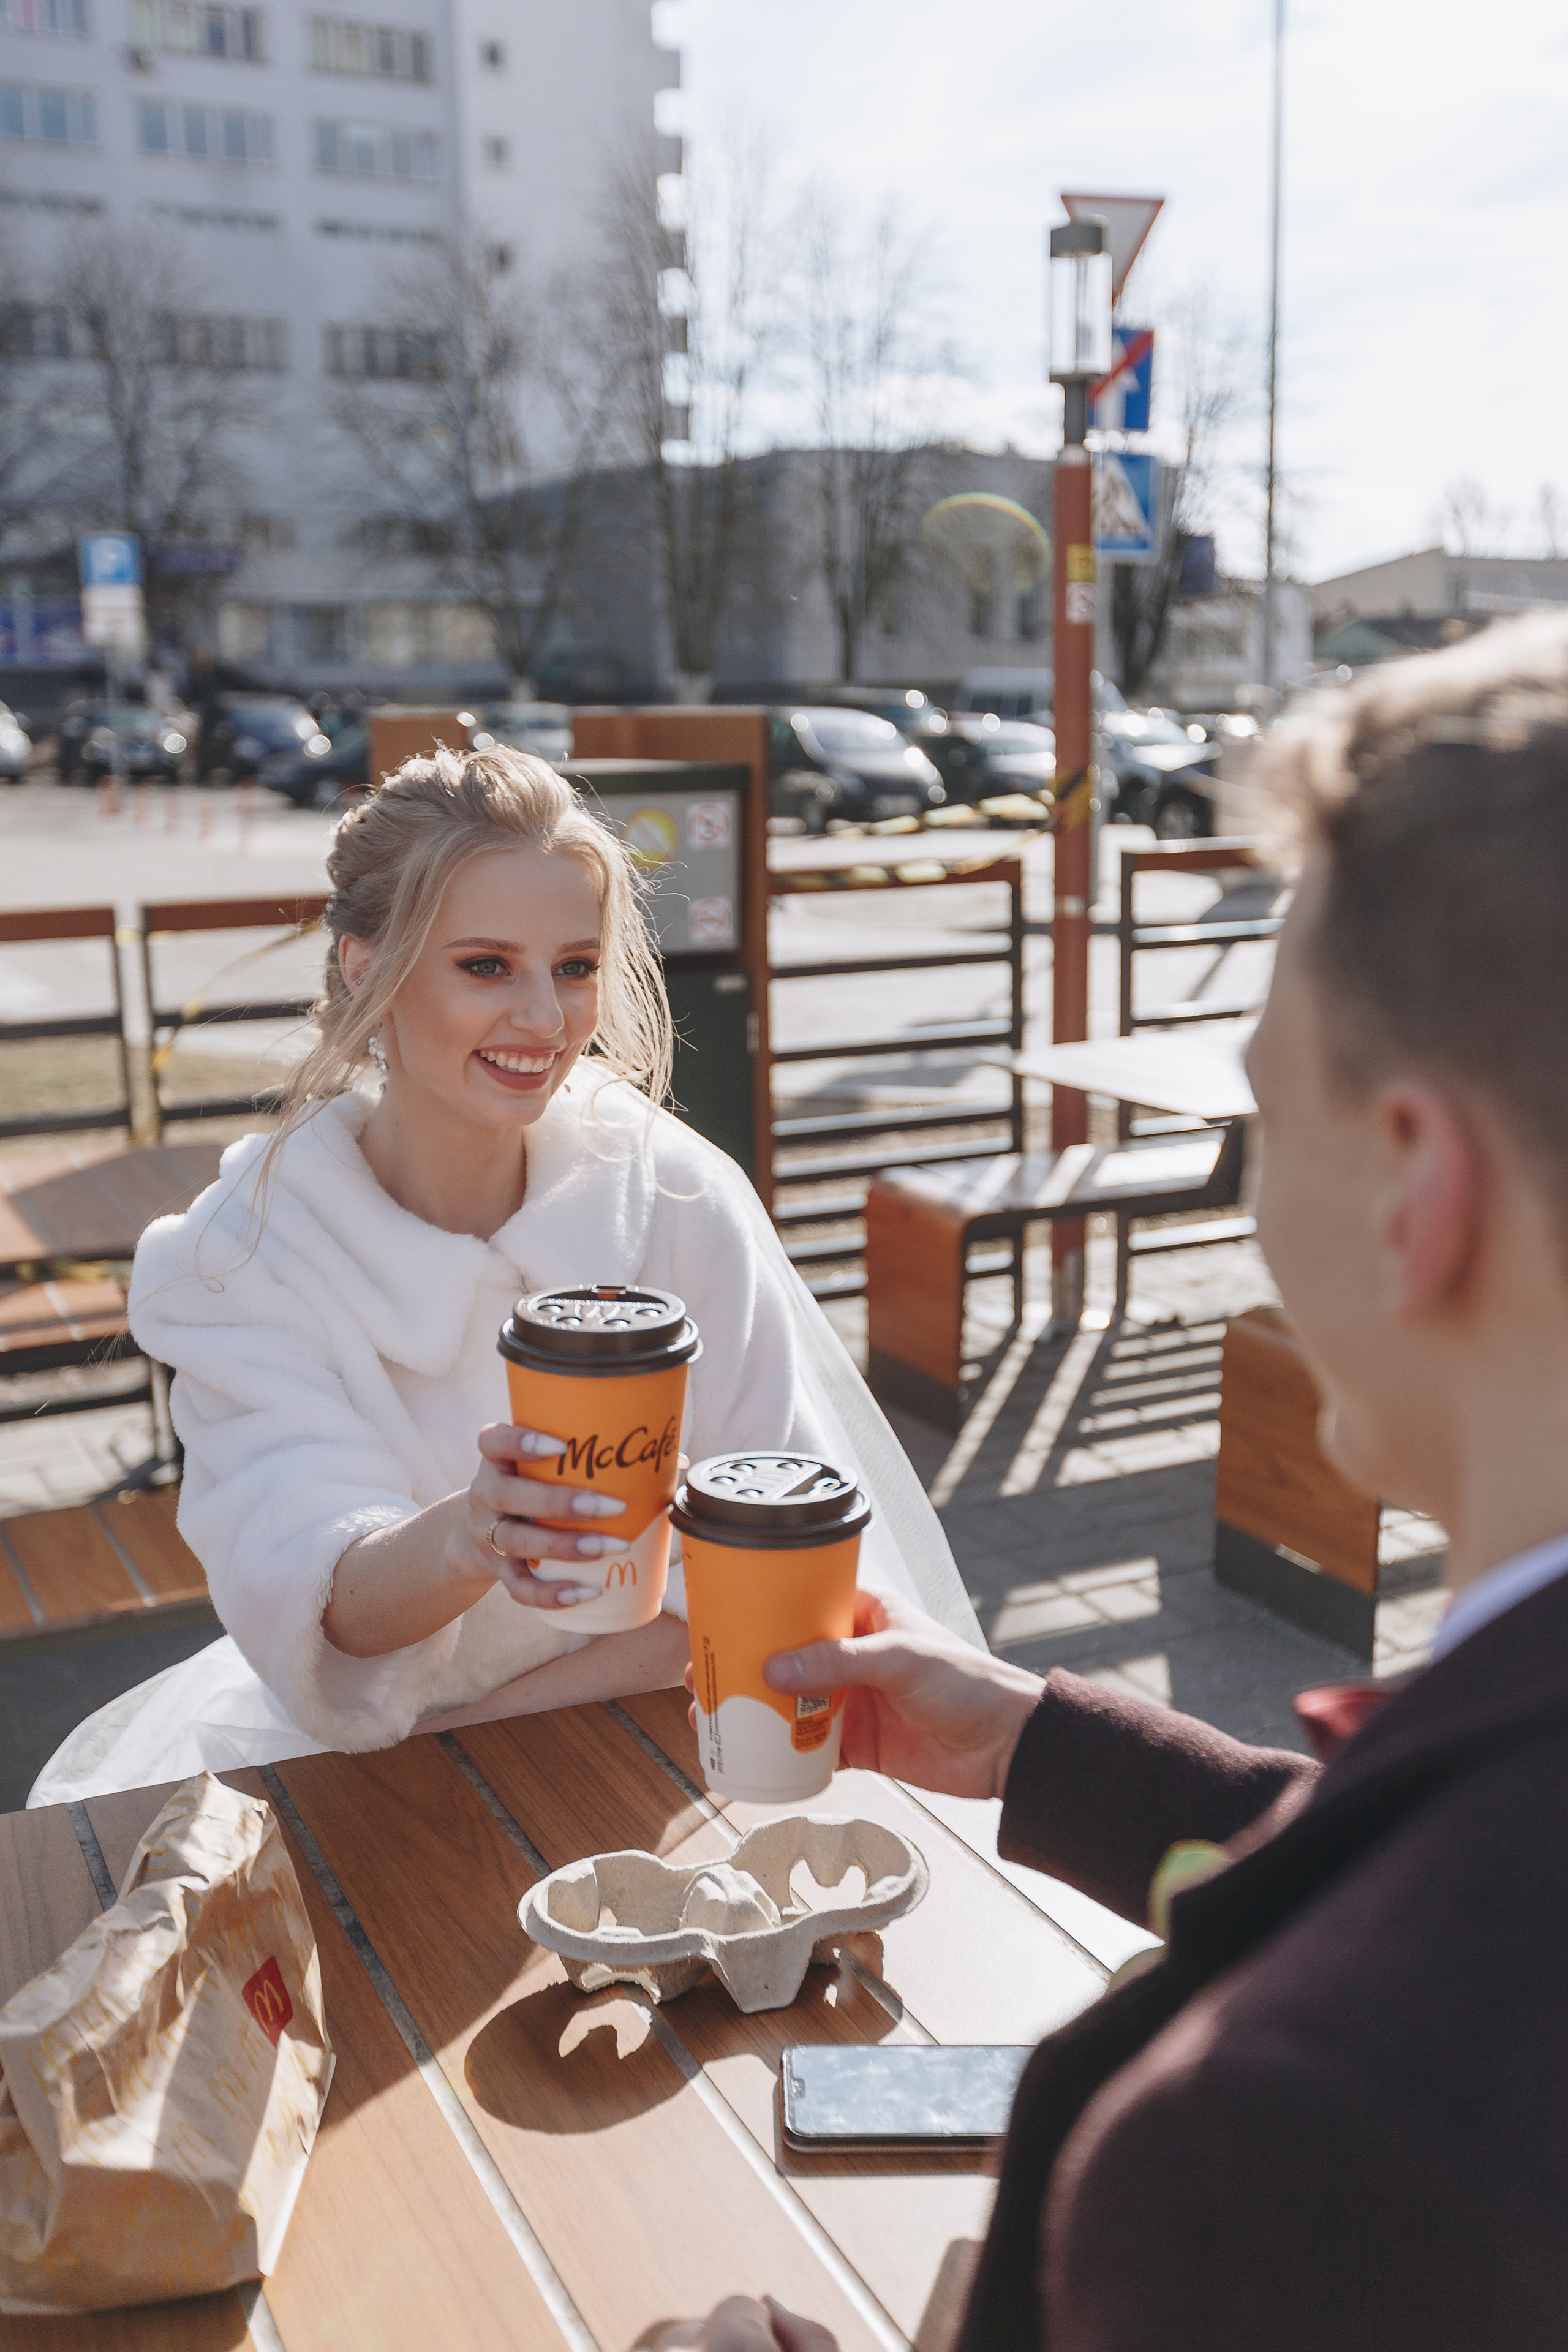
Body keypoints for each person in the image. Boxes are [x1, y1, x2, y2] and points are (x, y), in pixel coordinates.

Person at [663, 611, 1568, 2350]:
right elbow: (1430, 1870)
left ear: (1413, 1186)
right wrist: (1031, 1741)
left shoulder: (1293, 2140)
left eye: (1261, 1122)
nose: (1246, 1206)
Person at [30, 748, 977, 1804]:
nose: (545, 1018)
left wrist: (516, 1730)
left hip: (673, 1746)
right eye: (487, 966)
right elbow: (312, 1595)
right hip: (375, 1785)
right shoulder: (244, 1259)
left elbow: (768, 1553)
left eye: (574, 967)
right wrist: (474, 1535)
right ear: (361, 967)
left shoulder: (674, 1198)